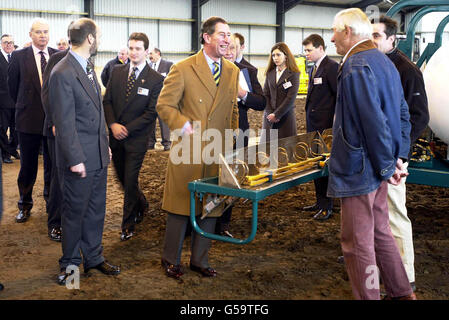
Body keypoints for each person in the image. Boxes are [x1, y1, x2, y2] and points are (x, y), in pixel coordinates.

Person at [329, 8, 414, 300]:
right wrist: (397, 157)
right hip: (378, 166)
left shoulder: (355, 65)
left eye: (334, 32)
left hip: (360, 169)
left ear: (348, 32)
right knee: (380, 232)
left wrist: (386, 166)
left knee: (356, 242)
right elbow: (402, 114)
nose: (332, 39)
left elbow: (372, 122)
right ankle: (403, 293)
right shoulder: (384, 61)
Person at [157, 16, 240, 280]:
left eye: (229, 35)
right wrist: (182, 126)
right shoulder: (183, 68)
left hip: (219, 151)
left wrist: (234, 138)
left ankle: (199, 260)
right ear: (206, 37)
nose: (228, 40)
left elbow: (233, 109)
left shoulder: (232, 71)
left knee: (211, 205)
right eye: (223, 35)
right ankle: (170, 259)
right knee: (181, 207)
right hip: (188, 151)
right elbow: (164, 105)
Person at [48, 18, 120, 285]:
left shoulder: (87, 66)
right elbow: (64, 123)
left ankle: (93, 257)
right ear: (90, 38)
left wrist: (106, 147)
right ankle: (70, 265)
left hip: (98, 154)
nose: (99, 39)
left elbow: (96, 112)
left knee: (95, 210)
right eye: (98, 35)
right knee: (74, 213)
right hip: (79, 159)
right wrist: (75, 159)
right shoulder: (63, 72)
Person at [372, 15, 429, 292]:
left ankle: (406, 275)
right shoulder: (374, 64)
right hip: (372, 156)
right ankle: (381, 266)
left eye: (377, 37)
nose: (371, 41)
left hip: (393, 159)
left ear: (392, 39)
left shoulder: (408, 71)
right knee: (374, 213)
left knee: (394, 213)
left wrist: (400, 155)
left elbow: (419, 116)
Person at [103, 33, 164, 241]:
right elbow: (107, 100)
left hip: (137, 139)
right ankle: (142, 203)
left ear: (146, 51)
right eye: (131, 48)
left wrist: (126, 129)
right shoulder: (117, 72)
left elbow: (151, 112)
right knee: (121, 178)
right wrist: (112, 124)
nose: (133, 52)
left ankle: (128, 223)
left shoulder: (156, 79)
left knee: (130, 180)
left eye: (138, 49)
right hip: (115, 136)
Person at [216, 34, 266, 237]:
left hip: (238, 130)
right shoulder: (211, 68)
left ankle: (223, 224)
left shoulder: (248, 70)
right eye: (225, 48)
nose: (228, 52)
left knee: (230, 176)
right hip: (212, 130)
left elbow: (261, 102)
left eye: (232, 48)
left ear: (239, 49)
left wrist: (243, 95)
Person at [8, 18, 57, 223]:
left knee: (52, 166)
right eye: (38, 32)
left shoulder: (57, 55)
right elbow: (12, 87)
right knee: (28, 166)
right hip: (28, 121)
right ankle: (25, 204)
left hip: (53, 122)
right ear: (30, 34)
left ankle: (50, 203)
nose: (43, 35)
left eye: (46, 32)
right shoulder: (19, 57)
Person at [41, 25, 73, 242]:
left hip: (77, 131)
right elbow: (47, 92)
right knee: (57, 178)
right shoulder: (57, 59)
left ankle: (70, 219)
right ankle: (55, 223)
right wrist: (54, 121)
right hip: (57, 129)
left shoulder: (87, 62)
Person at [301, 34, 338, 221]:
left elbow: (339, 97)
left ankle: (327, 206)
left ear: (321, 49)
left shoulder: (331, 68)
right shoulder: (314, 69)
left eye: (309, 50)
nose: (306, 53)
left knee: (325, 167)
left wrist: (333, 124)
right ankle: (319, 201)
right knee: (317, 166)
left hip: (326, 129)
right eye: (305, 50)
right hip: (313, 126)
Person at [261, 42, 300, 143]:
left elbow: (290, 98)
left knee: (285, 151)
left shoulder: (293, 74)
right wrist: (270, 113)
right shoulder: (270, 73)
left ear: (286, 56)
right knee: (267, 151)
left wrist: (277, 115)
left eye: (278, 55)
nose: (275, 58)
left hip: (285, 118)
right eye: (273, 55)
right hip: (269, 119)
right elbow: (265, 94)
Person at [147, 47, 173, 151]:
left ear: (158, 53)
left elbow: (173, 81)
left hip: (164, 100)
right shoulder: (148, 66)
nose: (149, 56)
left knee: (164, 122)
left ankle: (166, 143)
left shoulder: (168, 65)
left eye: (151, 53)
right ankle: (150, 142)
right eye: (149, 54)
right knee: (150, 122)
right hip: (151, 100)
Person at [0, 34, 20, 164]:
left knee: (17, 129)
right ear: (1, 44)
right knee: (2, 128)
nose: (8, 45)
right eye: (6, 42)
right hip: (2, 101)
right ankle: (5, 153)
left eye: (11, 42)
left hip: (17, 101)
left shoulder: (17, 58)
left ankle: (12, 149)